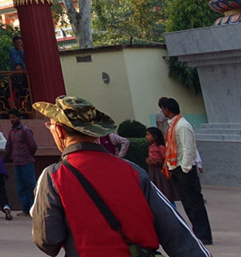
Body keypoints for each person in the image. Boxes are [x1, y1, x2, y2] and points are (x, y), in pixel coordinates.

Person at [31, 95, 210, 257]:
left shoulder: (53, 177)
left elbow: (48, 241)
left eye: (50, 125)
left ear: (59, 131)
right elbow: (178, 235)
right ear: (96, 131)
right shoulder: (133, 171)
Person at [160, 97, 212, 245]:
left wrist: (185, 168)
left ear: (168, 109)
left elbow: (188, 148)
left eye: (163, 108)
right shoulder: (173, 125)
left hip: (184, 169)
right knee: (188, 203)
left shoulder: (182, 125)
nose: (162, 111)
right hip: (176, 167)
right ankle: (198, 232)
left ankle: (204, 235)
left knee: (194, 202)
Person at [3, 109, 39, 216]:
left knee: (30, 186)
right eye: (10, 118)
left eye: (14, 117)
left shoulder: (25, 130)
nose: (12, 120)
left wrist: (29, 155)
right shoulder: (11, 132)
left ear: (19, 118)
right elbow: (8, 147)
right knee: (21, 188)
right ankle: (25, 209)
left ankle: (34, 209)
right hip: (17, 163)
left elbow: (33, 146)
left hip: (27, 162)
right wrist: (4, 159)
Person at [145, 126, 177, 205]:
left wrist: (156, 163)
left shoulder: (161, 147)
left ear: (155, 136)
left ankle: (171, 207)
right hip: (153, 172)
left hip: (161, 172)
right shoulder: (151, 147)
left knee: (165, 190)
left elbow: (166, 160)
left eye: (148, 135)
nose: (146, 137)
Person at [8, 36, 28, 108]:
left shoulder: (24, 50)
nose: (19, 44)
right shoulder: (12, 51)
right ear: (14, 44)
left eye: (20, 42)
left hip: (25, 74)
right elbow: (17, 65)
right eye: (17, 43)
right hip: (18, 76)